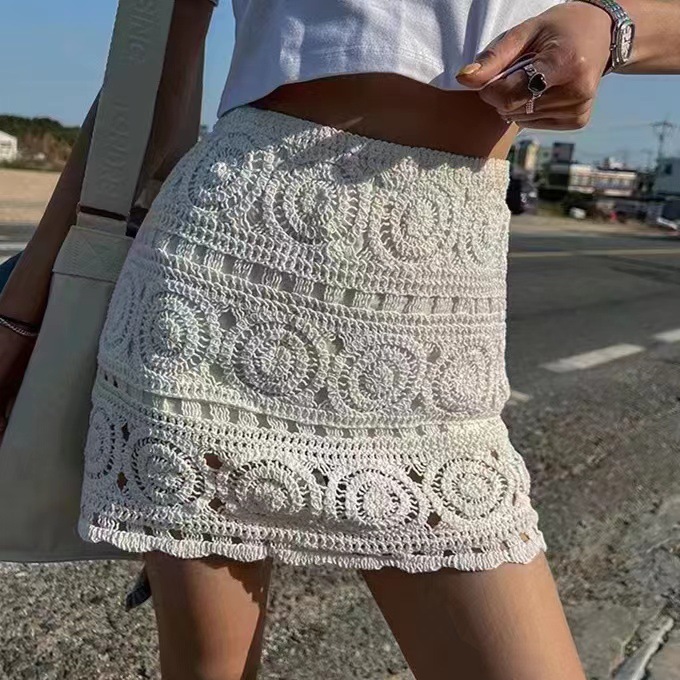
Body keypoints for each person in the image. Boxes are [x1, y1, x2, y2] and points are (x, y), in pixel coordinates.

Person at [1, 1, 679, 679]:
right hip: (215, 288)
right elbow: (145, 88)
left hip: (441, 312)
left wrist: (612, 28)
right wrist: (19, 315)